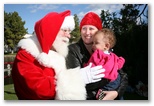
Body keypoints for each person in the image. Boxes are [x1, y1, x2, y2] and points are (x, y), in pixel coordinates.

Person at [11, 10, 105, 100]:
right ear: (51, 30)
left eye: (69, 31)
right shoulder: (25, 54)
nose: (68, 35)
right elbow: (39, 89)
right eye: (65, 30)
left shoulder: (57, 54)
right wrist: (76, 78)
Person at [66, 12, 128, 100]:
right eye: (84, 28)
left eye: (91, 28)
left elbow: (123, 75)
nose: (87, 32)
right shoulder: (72, 50)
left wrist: (116, 92)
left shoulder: (105, 48)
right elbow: (75, 82)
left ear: (98, 31)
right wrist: (107, 79)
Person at [84, 28, 125, 99]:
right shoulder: (113, 55)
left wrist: (86, 65)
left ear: (106, 46)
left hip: (105, 80)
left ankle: (101, 94)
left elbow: (92, 65)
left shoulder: (97, 54)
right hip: (115, 80)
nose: (93, 45)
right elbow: (119, 64)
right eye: (93, 42)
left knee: (104, 93)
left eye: (96, 43)